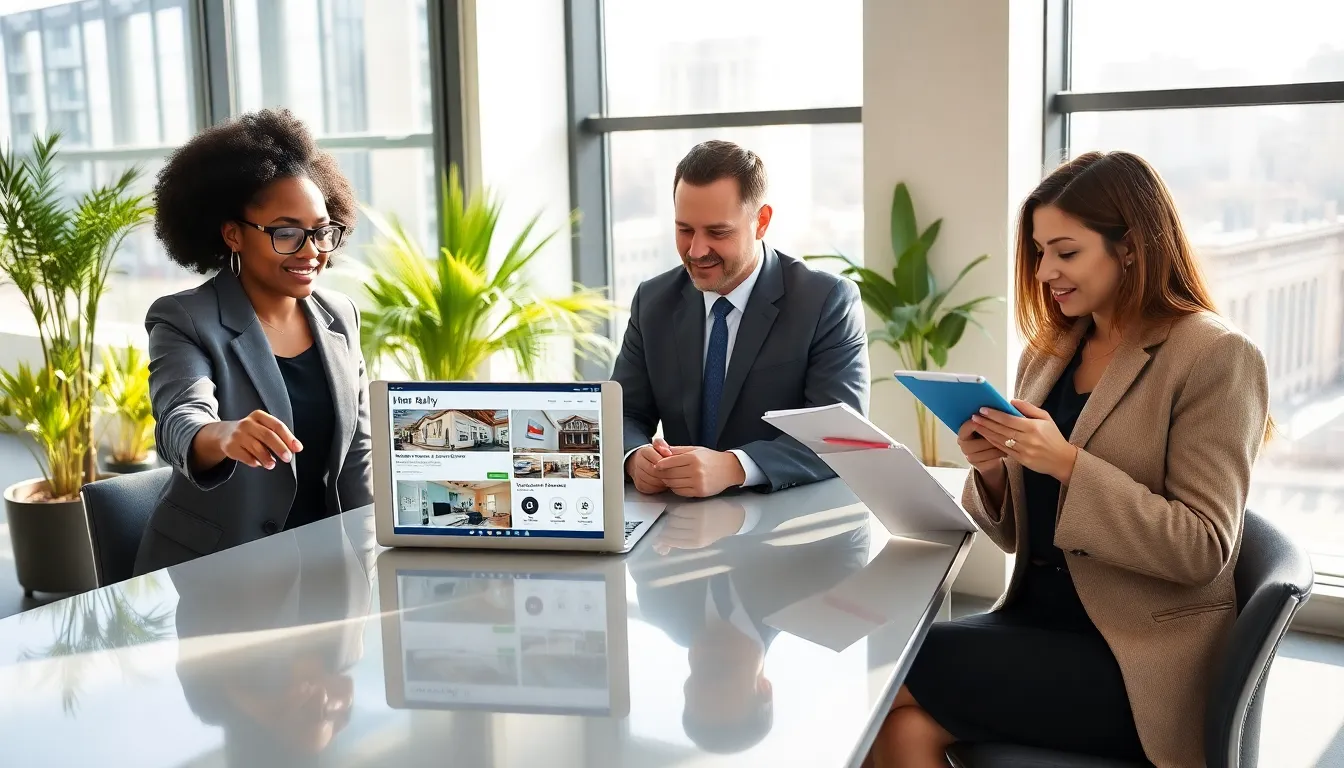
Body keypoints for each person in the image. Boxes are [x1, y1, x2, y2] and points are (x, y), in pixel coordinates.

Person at [868, 151, 1271, 768]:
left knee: (885, 671)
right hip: (1038, 624)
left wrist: (1067, 465)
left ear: (1130, 246)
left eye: (1066, 250)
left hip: (1138, 661)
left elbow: (1202, 549)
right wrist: (995, 470)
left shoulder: (1215, 357)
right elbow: (1012, 540)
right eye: (1038, 251)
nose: (1045, 270)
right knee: (905, 734)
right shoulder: (1050, 350)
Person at [133, 108, 373, 575]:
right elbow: (179, 419)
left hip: (329, 564)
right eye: (286, 233)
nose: (311, 251)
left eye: (322, 231)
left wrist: (373, 556)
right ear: (232, 234)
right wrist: (222, 434)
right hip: (221, 570)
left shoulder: (340, 315)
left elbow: (357, 457)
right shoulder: (184, 318)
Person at [612, 140, 869, 498]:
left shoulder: (825, 301)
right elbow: (621, 413)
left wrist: (735, 466)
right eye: (685, 229)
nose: (696, 250)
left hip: (788, 525)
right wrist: (633, 456)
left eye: (718, 232)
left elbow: (841, 436)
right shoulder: (653, 301)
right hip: (676, 526)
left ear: (761, 222)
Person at [632, 491, 870, 753]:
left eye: (701, 671)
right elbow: (852, 507)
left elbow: (640, 518)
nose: (708, 654)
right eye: (722, 669)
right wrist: (744, 519)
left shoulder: (661, 607)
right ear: (764, 687)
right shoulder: (816, 599)